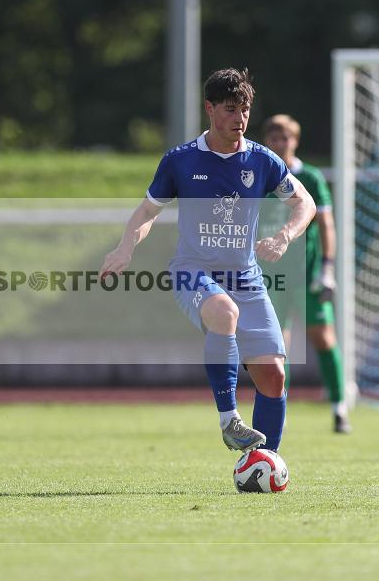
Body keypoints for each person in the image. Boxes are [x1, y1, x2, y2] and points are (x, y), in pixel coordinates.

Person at [101, 69, 315, 454]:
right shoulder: (180, 161)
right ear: (209, 109)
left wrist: (284, 235)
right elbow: (148, 212)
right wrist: (124, 249)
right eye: (231, 109)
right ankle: (229, 419)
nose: (240, 119)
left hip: (246, 277)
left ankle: (264, 462)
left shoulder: (262, 160)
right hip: (192, 271)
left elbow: (305, 202)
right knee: (223, 312)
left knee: (273, 377)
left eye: (245, 110)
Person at [260, 114, 351, 433]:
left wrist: (327, 270)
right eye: (274, 138)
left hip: (307, 275)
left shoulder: (310, 178)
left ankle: (340, 408)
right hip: (271, 279)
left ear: (295, 141)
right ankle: (276, 413)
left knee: (323, 338)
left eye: (285, 138)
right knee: (276, 348)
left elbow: (326, 224)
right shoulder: (259, 176)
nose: (280, 144)